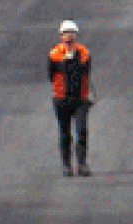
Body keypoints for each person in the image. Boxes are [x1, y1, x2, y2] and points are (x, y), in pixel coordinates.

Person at [48, 19, 93, 177]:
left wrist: (71, 60)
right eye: (66, 33)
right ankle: (66, 166)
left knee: (81, 130)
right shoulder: (54, 54)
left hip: (80, 98)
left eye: (71, 33)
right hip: (61, 99)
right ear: (61, 35)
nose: (69, 36)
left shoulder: (83, 52)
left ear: (75, 34)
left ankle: (82, 164)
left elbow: (85, 71)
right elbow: (51, 75)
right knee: (65, 133)